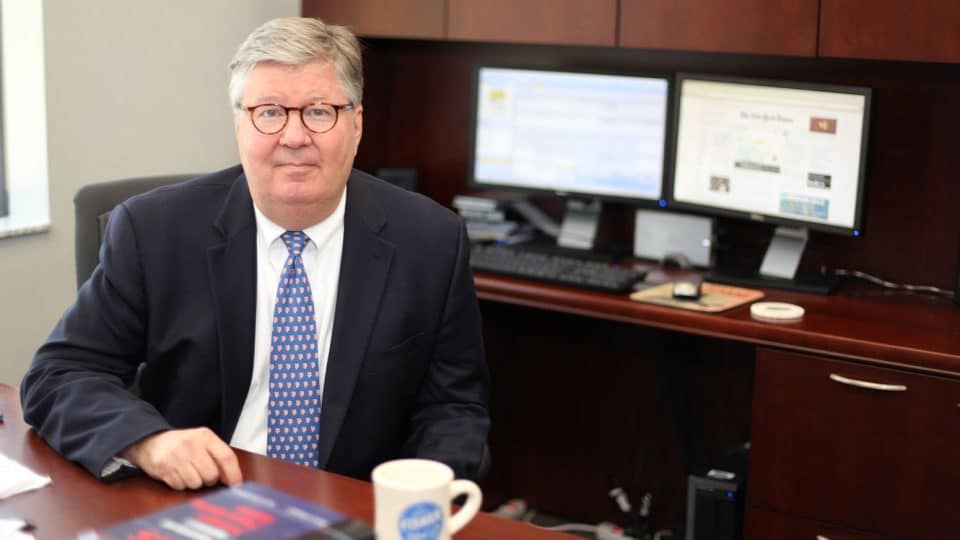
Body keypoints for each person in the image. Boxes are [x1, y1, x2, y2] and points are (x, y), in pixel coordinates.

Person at [20, 17, 490, 491]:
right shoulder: (153, 232)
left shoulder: (430, 241)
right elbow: (59, 374)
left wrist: (419, 501)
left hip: (354, 509)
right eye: (269, 112)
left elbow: (454, 407)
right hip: (198, 500)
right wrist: (150, 441)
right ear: (239, 124)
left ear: (356, 123)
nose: (294, 136)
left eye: (319, 111)